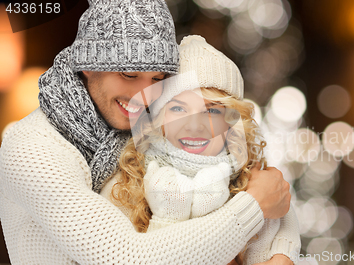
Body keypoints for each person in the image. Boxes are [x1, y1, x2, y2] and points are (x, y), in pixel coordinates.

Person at [0, 0, 291, 264]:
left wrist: (282, 252)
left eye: (157, 79)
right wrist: (253, 207)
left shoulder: (144, 129)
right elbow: (127, 257)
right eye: (128, 74)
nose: (143, 95)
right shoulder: (30, 148)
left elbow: (268, 190)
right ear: (87, 66)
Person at [100, 35, 301, 265]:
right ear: (158, 120)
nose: (194, 126)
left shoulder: (259, 185)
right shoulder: (123, 189)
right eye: (178, 108)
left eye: (212, 110)